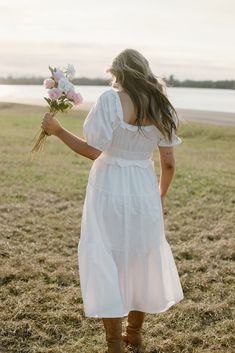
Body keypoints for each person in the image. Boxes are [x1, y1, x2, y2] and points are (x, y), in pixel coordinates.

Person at [41, 48, 184, 353]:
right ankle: (134, 335)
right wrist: (158, 196)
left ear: (118, 72)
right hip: (144, 190)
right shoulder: (162, 106)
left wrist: (57, 130)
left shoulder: (110, 100)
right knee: (141, 259)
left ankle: (115, 344)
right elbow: (169, 163)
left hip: (108, 189)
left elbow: (95, 151)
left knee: (107, 260)